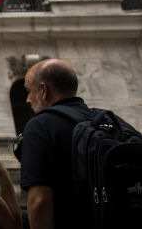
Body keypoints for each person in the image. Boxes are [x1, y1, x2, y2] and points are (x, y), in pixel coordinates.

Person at [17, 58, 93, 229]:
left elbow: (39, 201)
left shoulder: (40, 126)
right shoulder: (107, 120)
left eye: (29, 91)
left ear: (43, 90)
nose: (28, 99)